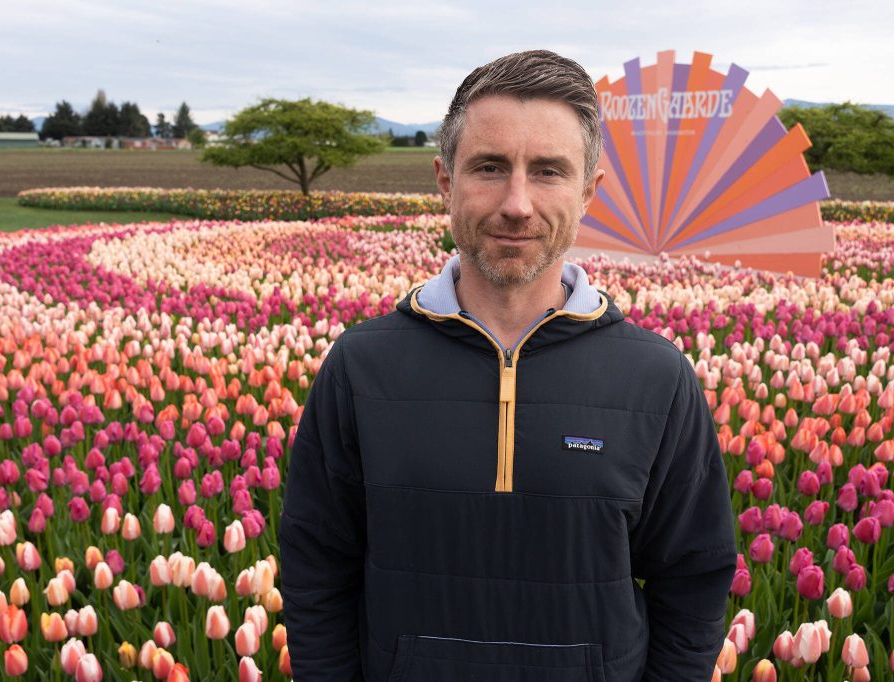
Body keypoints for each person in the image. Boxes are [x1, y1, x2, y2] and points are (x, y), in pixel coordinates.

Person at [279, 49, 737, 682]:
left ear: (589, 191)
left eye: (547, 171)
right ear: (445, 179)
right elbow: (315, 572)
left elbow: (692, 581)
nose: (517, 203)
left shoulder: (656, 379)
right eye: (489, 167)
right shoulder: (362, 369)